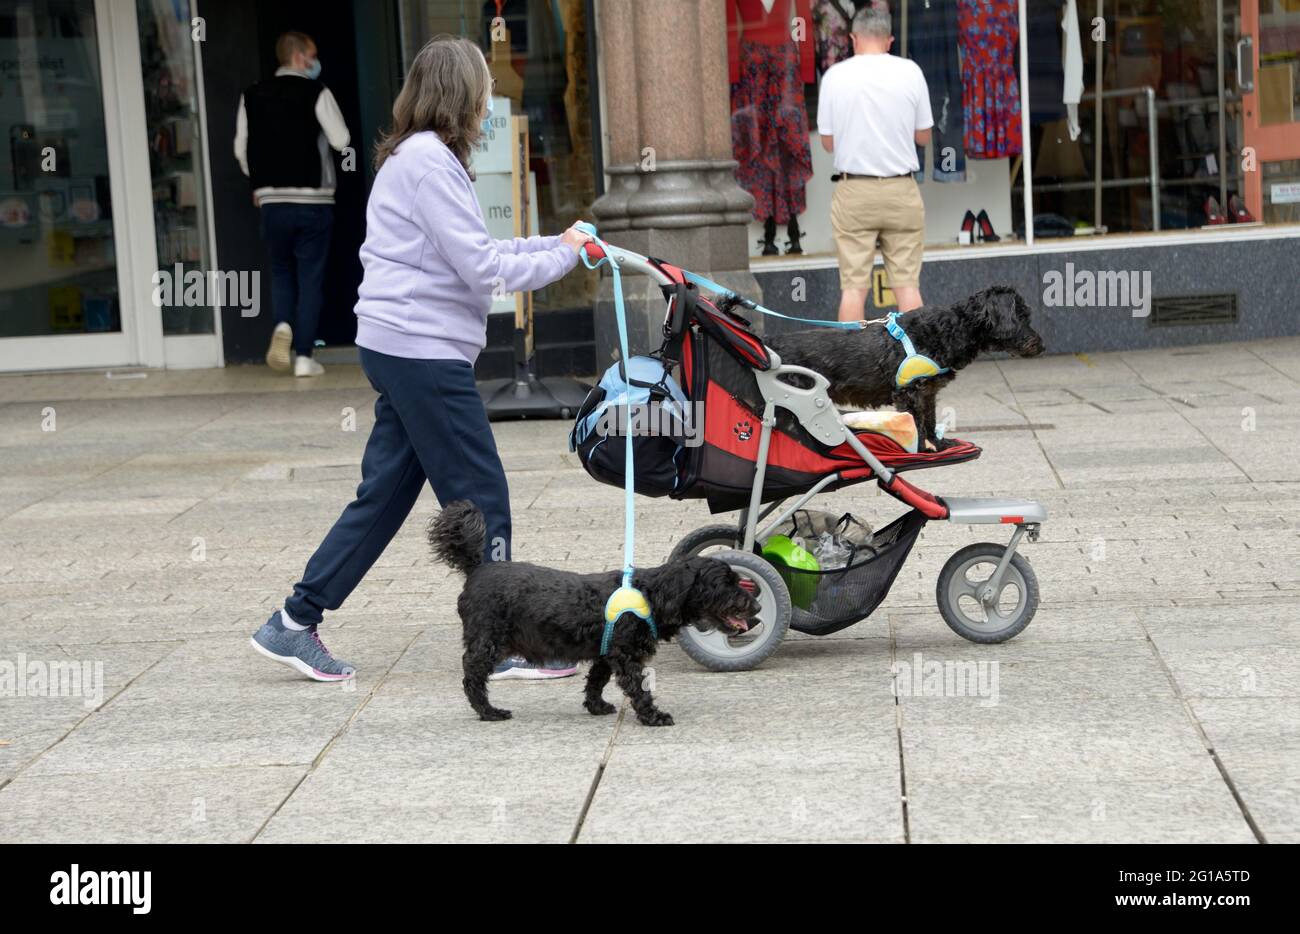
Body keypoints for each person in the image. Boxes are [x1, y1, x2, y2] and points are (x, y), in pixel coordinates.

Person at [250, 35, 593, 681]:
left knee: (382, 496)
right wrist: (567, 255)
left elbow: (480, 249)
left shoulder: (419, 157)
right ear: (461, 95)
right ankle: (508, 640)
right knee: (481, 494)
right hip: (422, 353)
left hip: (401, 347)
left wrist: (559, 240)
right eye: (486, 91)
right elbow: (483, 267)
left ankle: (293, 621)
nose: (491, 103)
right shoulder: (430, 163)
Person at [235, 31, 350, 377]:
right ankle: (303, 356)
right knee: (310, 277)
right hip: (313, 200)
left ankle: (283, 324)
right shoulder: (317, 92)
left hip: (271, 201)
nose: (316, 61)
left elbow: (241, 149)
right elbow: (341, 139)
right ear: (300, 57)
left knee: (282, 272)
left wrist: (262, 184)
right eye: (312, 55)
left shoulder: (251, 94)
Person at [816, 3, 932, 320]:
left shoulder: (834, 76)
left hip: (855, 191)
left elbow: (828, 143)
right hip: (900, 190)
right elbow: (923, 136)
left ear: (854, 38)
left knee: (854, 288)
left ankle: (851, 368)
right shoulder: (911, 71)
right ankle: (916, 365)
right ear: (889, 40)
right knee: (908, 286)